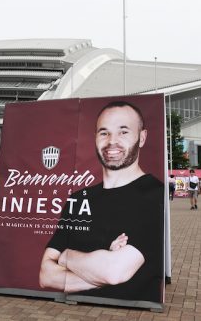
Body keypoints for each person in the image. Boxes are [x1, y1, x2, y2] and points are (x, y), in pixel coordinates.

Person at [39, 101, 164, 302]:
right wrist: (100, 265)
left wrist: (66, 256)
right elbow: (45, 275)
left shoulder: (154, 195)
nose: (111, 141)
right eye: (104, 133)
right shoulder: (79, 199)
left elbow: (114, 272)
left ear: (142, 138)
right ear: (96, 138)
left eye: (123, 132)